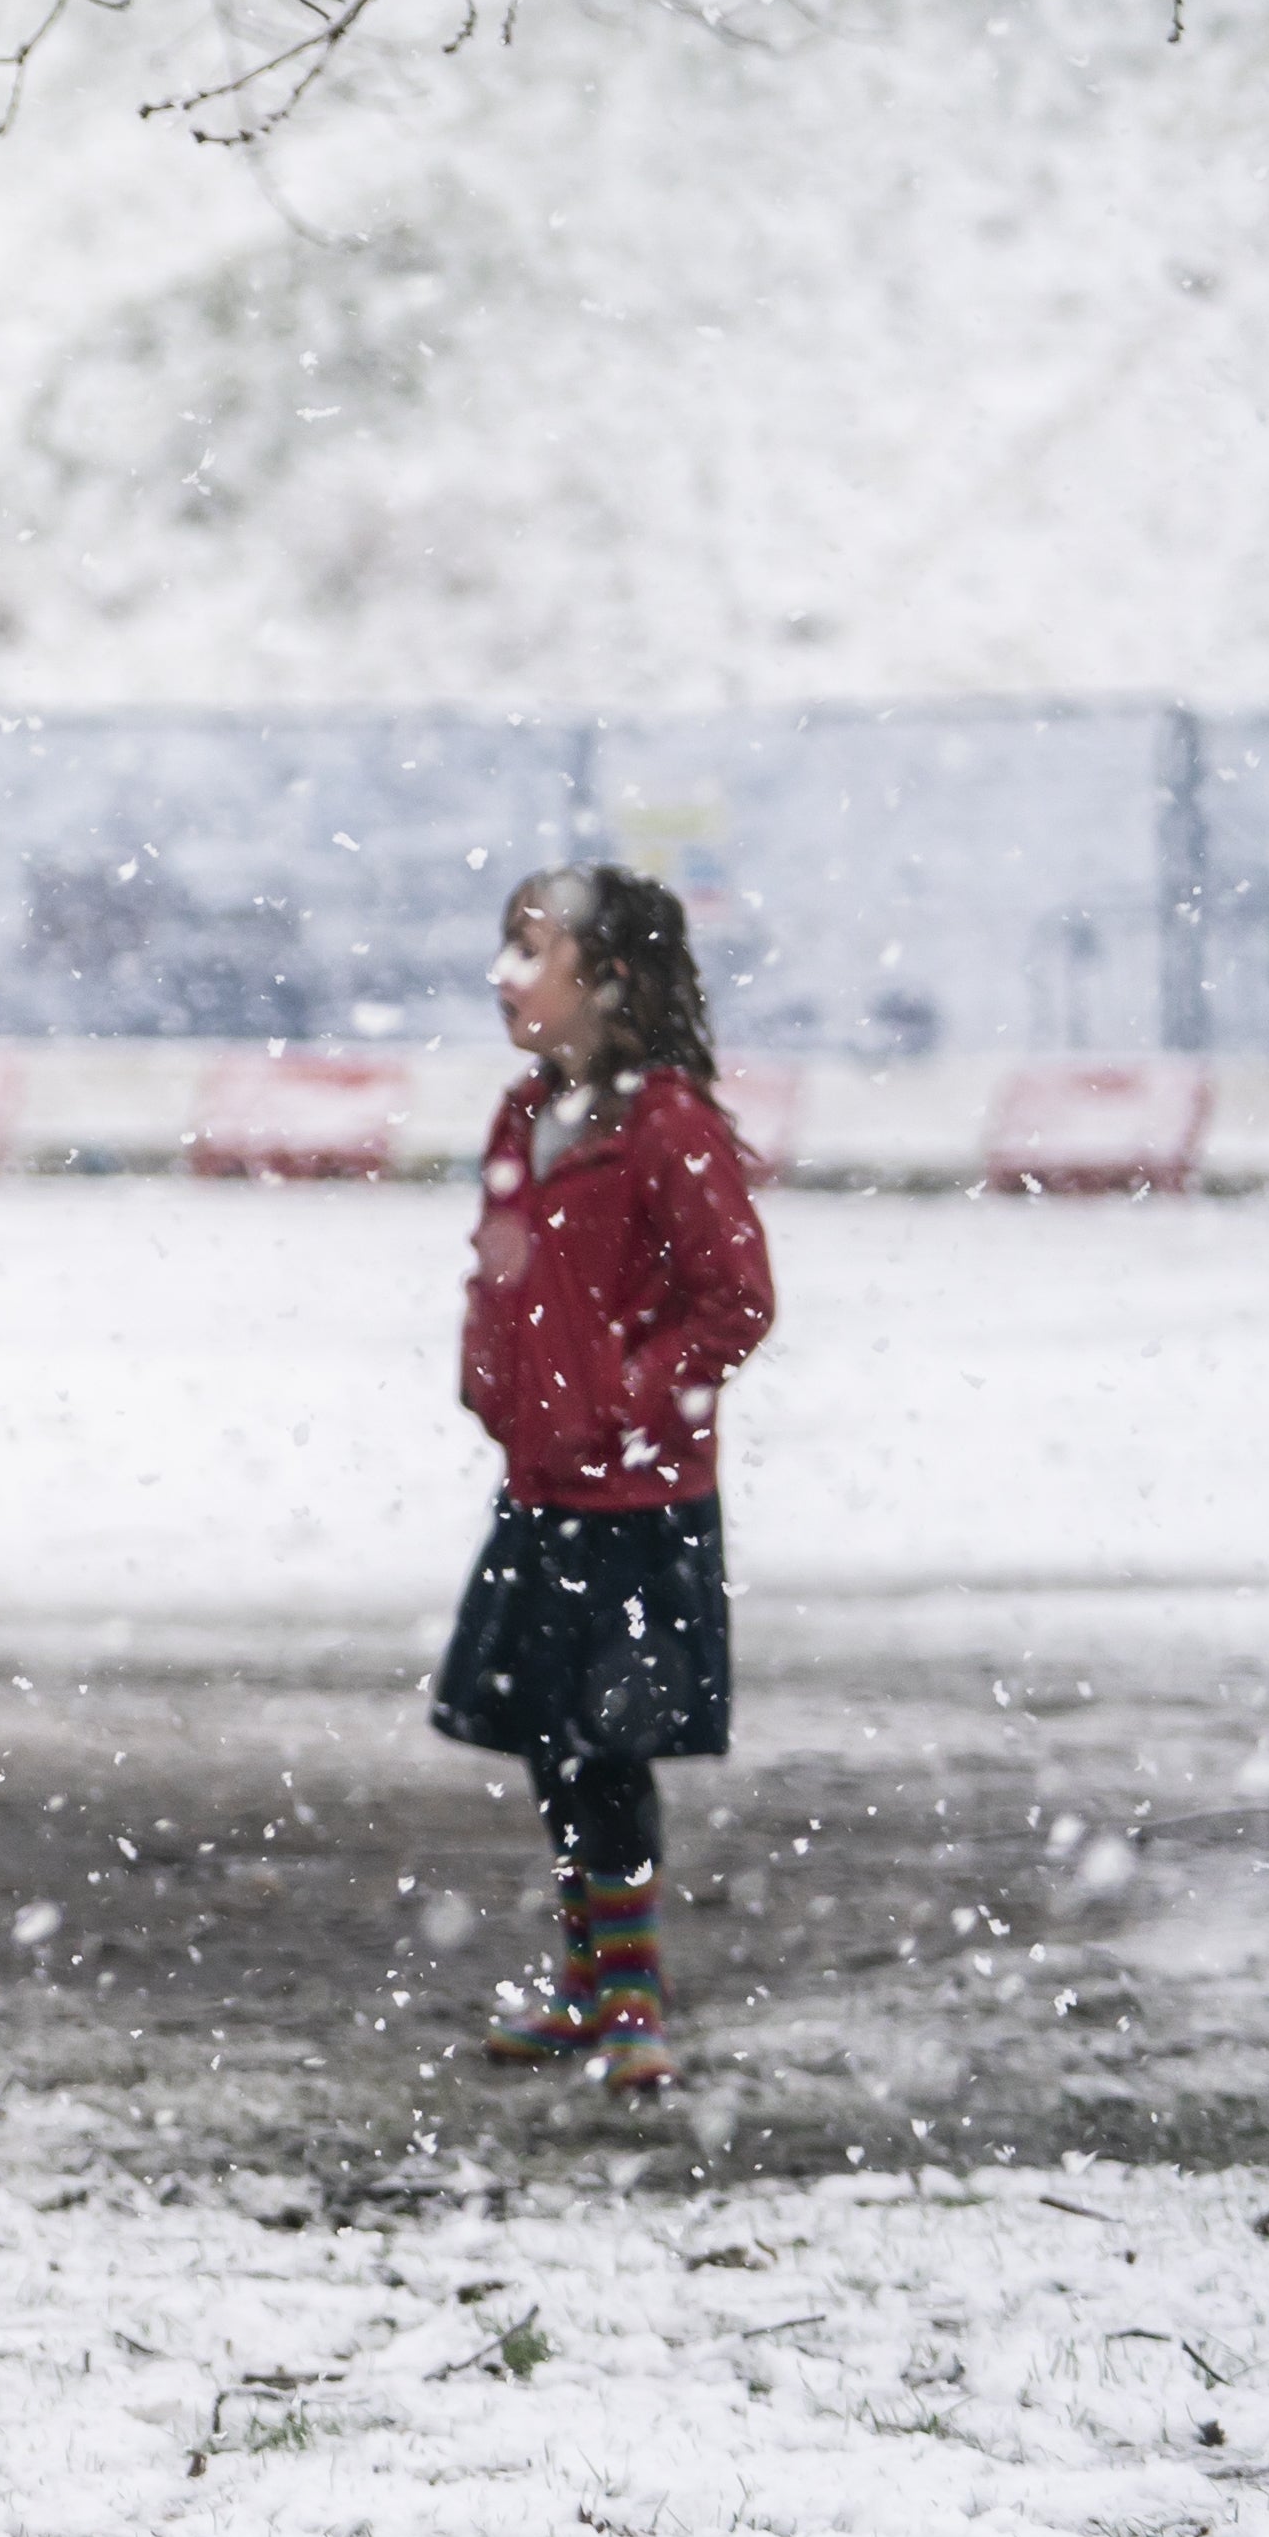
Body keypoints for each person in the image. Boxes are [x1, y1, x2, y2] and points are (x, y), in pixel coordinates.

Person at [435, 862, 775, 2104]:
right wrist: (491, 1371)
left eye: (534, 952)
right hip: (545, 1488)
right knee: (553, 1743)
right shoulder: (522, 1116)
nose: (506, 977)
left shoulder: (667, 1127)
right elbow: (499, 1263)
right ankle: (595, 1982)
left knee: (609, 1744)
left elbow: (736, 1299)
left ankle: (631, 1995)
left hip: (638, 1500)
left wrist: (628, 1400)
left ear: (611, 978)